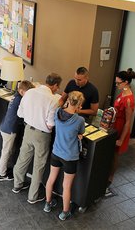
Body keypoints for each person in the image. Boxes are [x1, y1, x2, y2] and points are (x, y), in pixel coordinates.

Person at [12, 73, 61, 204]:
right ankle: (32, 196)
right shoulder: (54, 100)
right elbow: (51, 124)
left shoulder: (30, 92)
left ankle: (17, 184)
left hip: (28, 130)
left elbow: (20, 113)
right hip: (42, 135)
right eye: (57, 87)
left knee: (23, 158)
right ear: (55, 85)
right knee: (38, 165)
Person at [44, 91, 85, 221]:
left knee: (51, 179)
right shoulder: (79, 120)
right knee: (66, 186)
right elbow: (80, 133)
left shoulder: (57, 112)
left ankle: (47, 204)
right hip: (70, 157)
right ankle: (65, 212)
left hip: (56, 152)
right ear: (79, 104)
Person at [0, 80, 35, 181]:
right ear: (22, 91)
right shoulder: (20, 100)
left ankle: (2, 170)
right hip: (9, 130)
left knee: (6, 150)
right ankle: (2, 174)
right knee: (6, 151)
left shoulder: (15, 97)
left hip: (4, 126)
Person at [107, 68, 135, 193]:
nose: (117, 85)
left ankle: (110, 178)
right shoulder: (123, 92)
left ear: (126, 82)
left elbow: (128, 122)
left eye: (119, 83)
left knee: (114, 155)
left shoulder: (129, 99)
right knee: (109, 152)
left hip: (120, 128)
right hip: (114, 125)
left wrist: (121, 139)